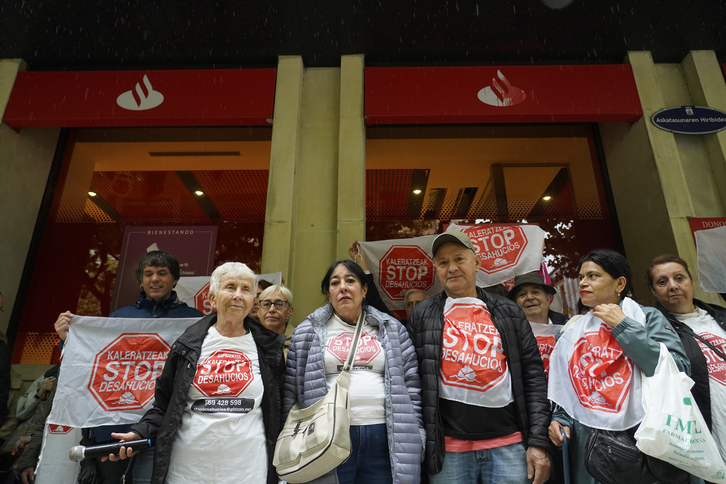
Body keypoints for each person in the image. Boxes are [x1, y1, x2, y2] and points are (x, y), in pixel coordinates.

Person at [107, 262, 286, 484]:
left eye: (246, 289)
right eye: (230, 287)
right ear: (212, 299)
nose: (238, 295)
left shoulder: (268, 350)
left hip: (249, 471)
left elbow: (280, 411)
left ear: (253, 303)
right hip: (188, 472)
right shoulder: (187, 346)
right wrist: (139, 433)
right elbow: (164, 405)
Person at [407, 229, 552, 484]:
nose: (451, 268)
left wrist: (538, 441)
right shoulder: (422, 314)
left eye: (459, 259)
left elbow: (533, 376)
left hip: (509, 443)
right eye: (443, 262)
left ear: (477, 263)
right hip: (448, 450)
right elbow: (410, 382)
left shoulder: (508, 311)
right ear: (436, 270)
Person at [52, 251, 203, 484]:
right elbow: (93, 366)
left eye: (162, 273)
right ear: (140, 280)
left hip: (162, 429)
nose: (155, 279)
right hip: (112, 427)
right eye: (148, 273)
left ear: (174, 280)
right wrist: (68, 340)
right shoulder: (118, 318)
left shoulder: (193, 320)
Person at [547, 249, 689, 484]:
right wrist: (561, 418)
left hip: (644, 444)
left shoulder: (646, 317)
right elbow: (568, 388)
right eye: (581, 277)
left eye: (593, 276)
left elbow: (679, 368)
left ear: (619, 283)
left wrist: (623, 326)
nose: (583, 282)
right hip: (591, 448)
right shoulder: (571, 332)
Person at [284, 259, 424, 484]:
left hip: (386, 439)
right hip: (326, 439)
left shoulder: (392, 329)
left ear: (364, 289)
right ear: (328, 293)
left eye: (351, 281)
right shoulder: (306, 332)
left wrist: (418, 435)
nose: (343, 287)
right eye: (335, 283)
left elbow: (412, 388)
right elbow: (290, 393)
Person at [647, 254, 726, 463]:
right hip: (712, 438)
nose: (673, 286)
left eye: (679, 278)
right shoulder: (657, 332)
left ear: (692, 282)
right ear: (654, 291)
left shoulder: (721, 316)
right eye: (662, 282)